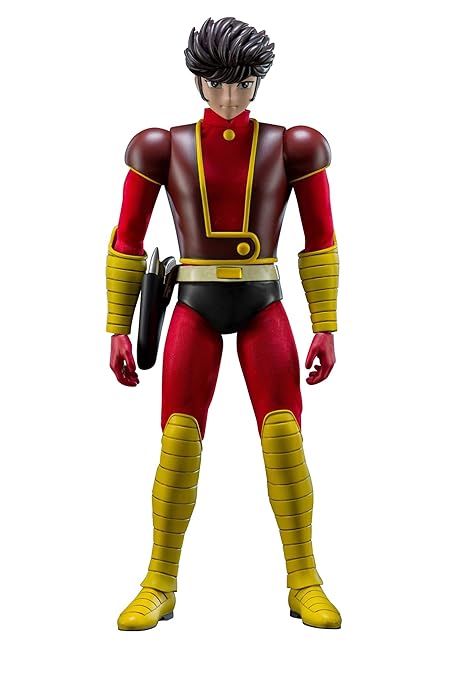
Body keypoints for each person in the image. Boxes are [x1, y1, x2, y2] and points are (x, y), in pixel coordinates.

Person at [106, 16, 341, 630]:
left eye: (242, 82)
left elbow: (320, 238)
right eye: (218, 82)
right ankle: (159, 581)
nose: (231, 97)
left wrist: (326, 323)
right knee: (179, 439)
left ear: (258, 82)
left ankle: (305, 579)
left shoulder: (293, 145)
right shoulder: (163, 146)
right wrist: (117, 326)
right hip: (194, 304)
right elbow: (128, 240)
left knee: (284, 437)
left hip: (263, 301)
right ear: (198, 82)